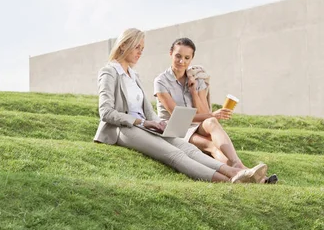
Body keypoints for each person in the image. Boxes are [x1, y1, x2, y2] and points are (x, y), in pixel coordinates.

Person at [94, 28, 267, 183]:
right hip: (123, 129)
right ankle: (231, 181)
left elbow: (147, 111)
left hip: (146, 126)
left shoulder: (133, 74)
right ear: (123, 45)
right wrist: (142, 123)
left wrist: (157, 122)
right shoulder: (109, 72)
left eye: (142, 49)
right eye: (137, 47)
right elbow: (106, 112)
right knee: (175, 155)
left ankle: (237, 172)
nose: (140, 52)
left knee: (189, 149)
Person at [153, 37, 277, 184]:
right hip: (176, 127)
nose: (182, 62)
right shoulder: (161, 81)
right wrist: (212, 114)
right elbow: (176, 115)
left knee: (211, 122)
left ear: (192, 58)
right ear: (171, 54)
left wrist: (194, 92)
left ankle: (238, 165)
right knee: (211, 145)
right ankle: (249, 174)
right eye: (178, 56)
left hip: (195, 124)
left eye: (187, 58)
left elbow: (204, 113)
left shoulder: (196, 78)